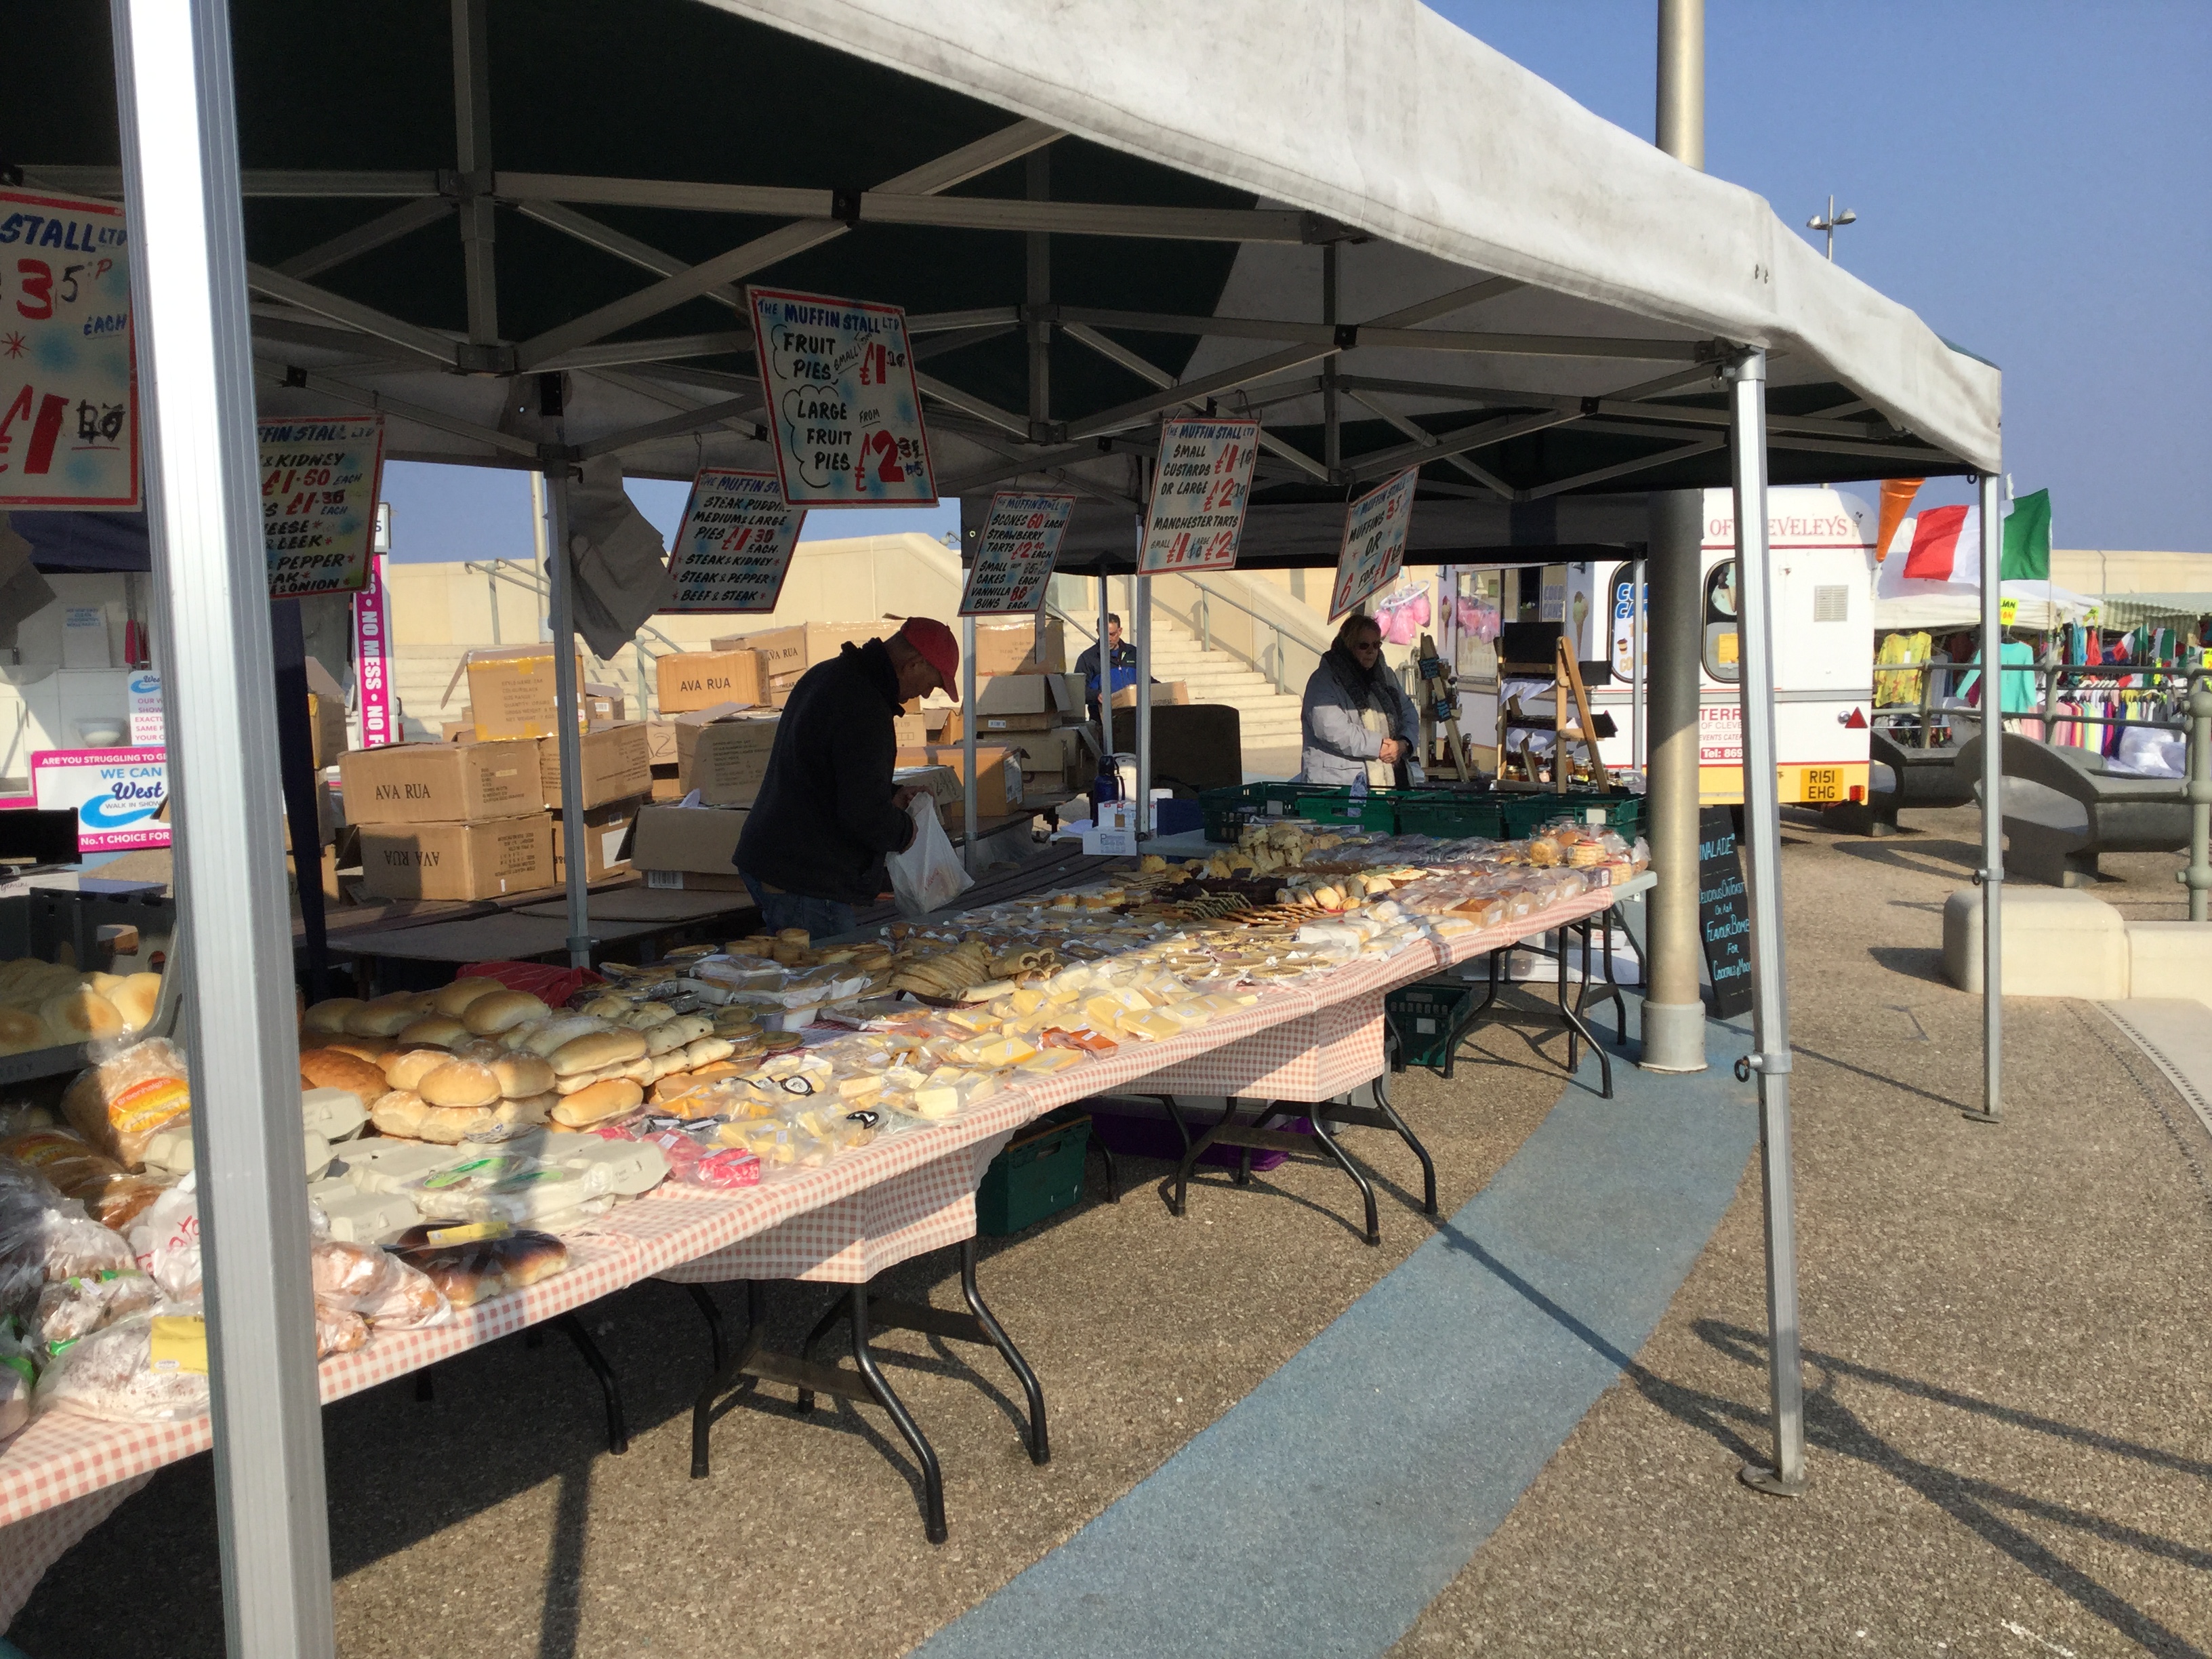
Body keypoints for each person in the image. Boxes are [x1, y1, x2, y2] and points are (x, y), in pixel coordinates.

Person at [735, 617, 958, 937]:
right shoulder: (864, 705)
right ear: (914, 664)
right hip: (806, 875)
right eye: (932, 684)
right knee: (830, 981)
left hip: (781, 859)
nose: (924, 695)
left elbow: (827, 771)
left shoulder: (830, 674)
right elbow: (863, 814)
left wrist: (890, 795)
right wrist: (908, 831)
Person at [1296, 612, 1420, 786]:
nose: (1371, 651)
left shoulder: (1385, 676)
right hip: (1339, 786)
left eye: (1376, 645)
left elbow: (1409, 713)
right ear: (1349, 646)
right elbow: (1332, 729)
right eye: (1364, 645)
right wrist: (1379, 746)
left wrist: (1403, 744)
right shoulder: (1323, 681)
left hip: (1390, 782)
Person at [1073, 613, 1139, 724]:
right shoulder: (1088, 658)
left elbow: (1146, 680)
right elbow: (1077, 691)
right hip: (1102, 722)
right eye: (1104, 634)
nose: (1108, 639)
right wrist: (1096, 695)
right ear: (1098, 632)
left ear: (1120, 631)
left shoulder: (1133, 652)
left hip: (1134, 719)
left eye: (1112, 634)